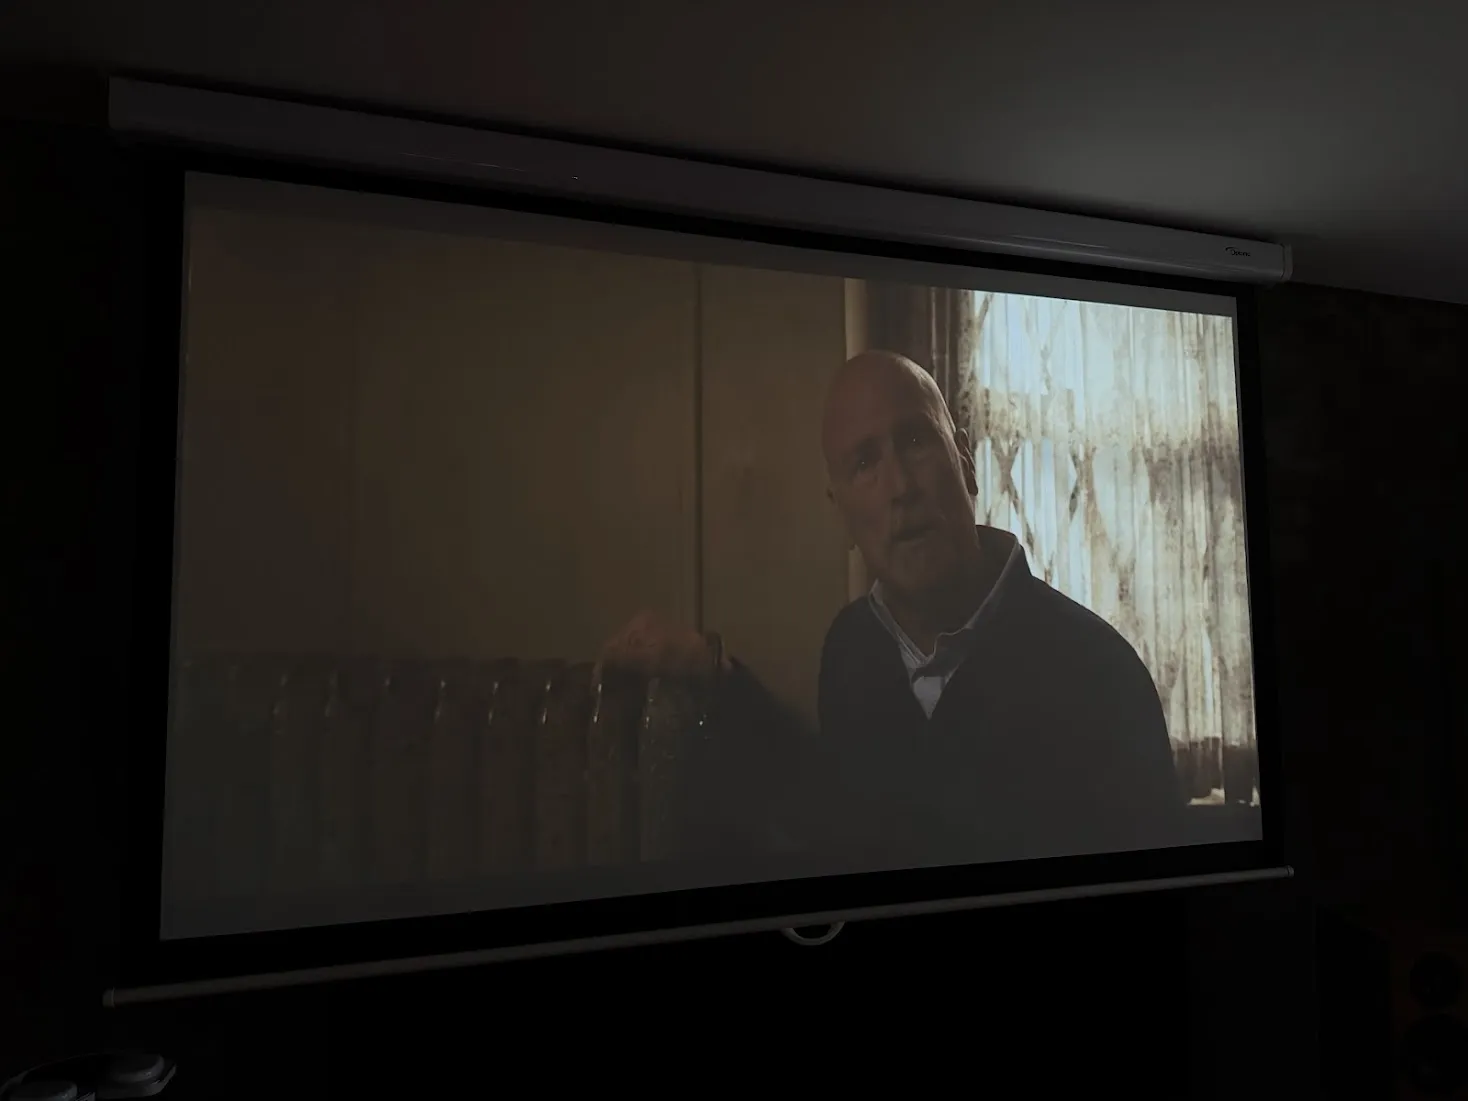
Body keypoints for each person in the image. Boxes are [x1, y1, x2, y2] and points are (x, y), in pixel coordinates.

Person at [599, 350, 1182, 871]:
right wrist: (710, 669)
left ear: (966, 463)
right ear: (841, 513)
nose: (899, 486)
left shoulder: (1100, 673)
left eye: (916, 441)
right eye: (864, 463)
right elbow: (833, 809)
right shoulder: (853, 648)